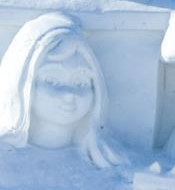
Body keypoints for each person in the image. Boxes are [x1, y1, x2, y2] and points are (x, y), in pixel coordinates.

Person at [0, 12, 121, 168]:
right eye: (52, 81)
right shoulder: (5, 167)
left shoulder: (113, 165)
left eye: (80, 82)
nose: (69, 94)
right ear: (22, 83)